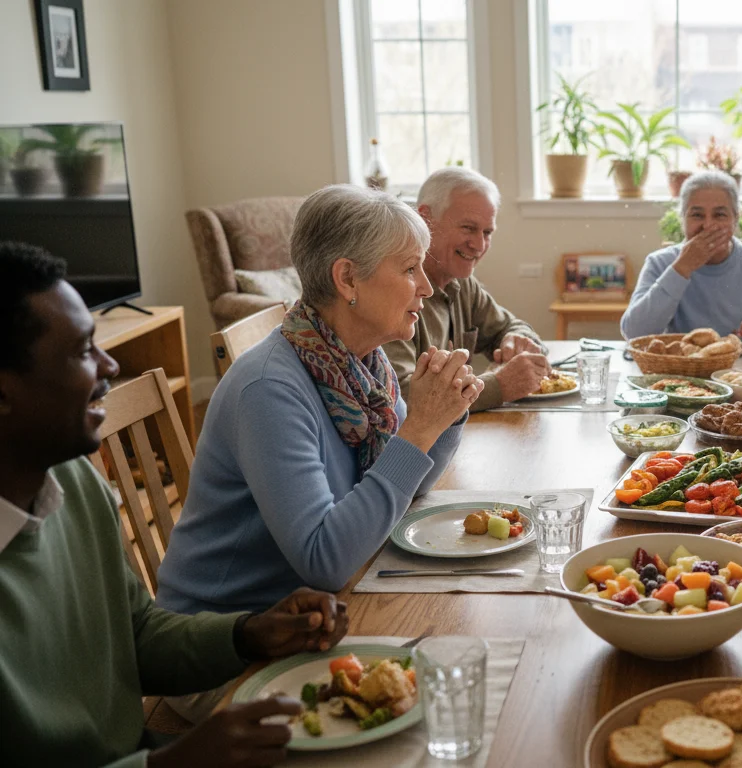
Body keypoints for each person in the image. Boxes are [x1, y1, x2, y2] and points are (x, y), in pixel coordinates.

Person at [0, 241, 351, 767]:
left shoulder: (75, 484)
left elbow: (137, 634)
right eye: (80, 351)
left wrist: (250, 631)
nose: (110, 365)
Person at [157, 184, 481, 615]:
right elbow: (325, 560)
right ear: (347, 278)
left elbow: (404, 487)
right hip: (231, 633)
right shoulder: (269, 389)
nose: (425, 287)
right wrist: (419, 426)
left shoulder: (362, 364)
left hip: (318, 608)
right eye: (409, 269)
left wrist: (447, 414)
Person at [383, 167, 549, 410]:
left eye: (487, 232)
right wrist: (499, 386)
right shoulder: (392, 291)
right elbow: (400, 399)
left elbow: (508, 326)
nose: (479, 245)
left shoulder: (461, 282)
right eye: (468, 228)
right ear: (425, 219)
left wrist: (518, 340)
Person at [620, 170, 742, 350]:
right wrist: (682, 268)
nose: (708, 225)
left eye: (720, 215)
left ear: (735, 219)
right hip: (683, 375)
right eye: (697, 215)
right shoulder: (660, 263)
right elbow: (633, 334)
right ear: (682, 219)